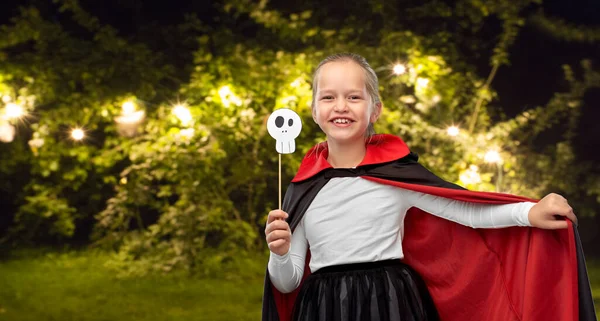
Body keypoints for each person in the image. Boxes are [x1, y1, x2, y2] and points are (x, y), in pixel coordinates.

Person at [261, 53, 596, 321]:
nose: (341, 106)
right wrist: (279, 254)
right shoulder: (302, 189)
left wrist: (529, 212)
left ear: (375, 109)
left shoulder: (396, 175)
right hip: (325, 306)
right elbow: (287, 281)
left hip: (391, 301)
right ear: (314, 111)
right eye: (329, 97)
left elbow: (465, 210)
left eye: (354, 97)